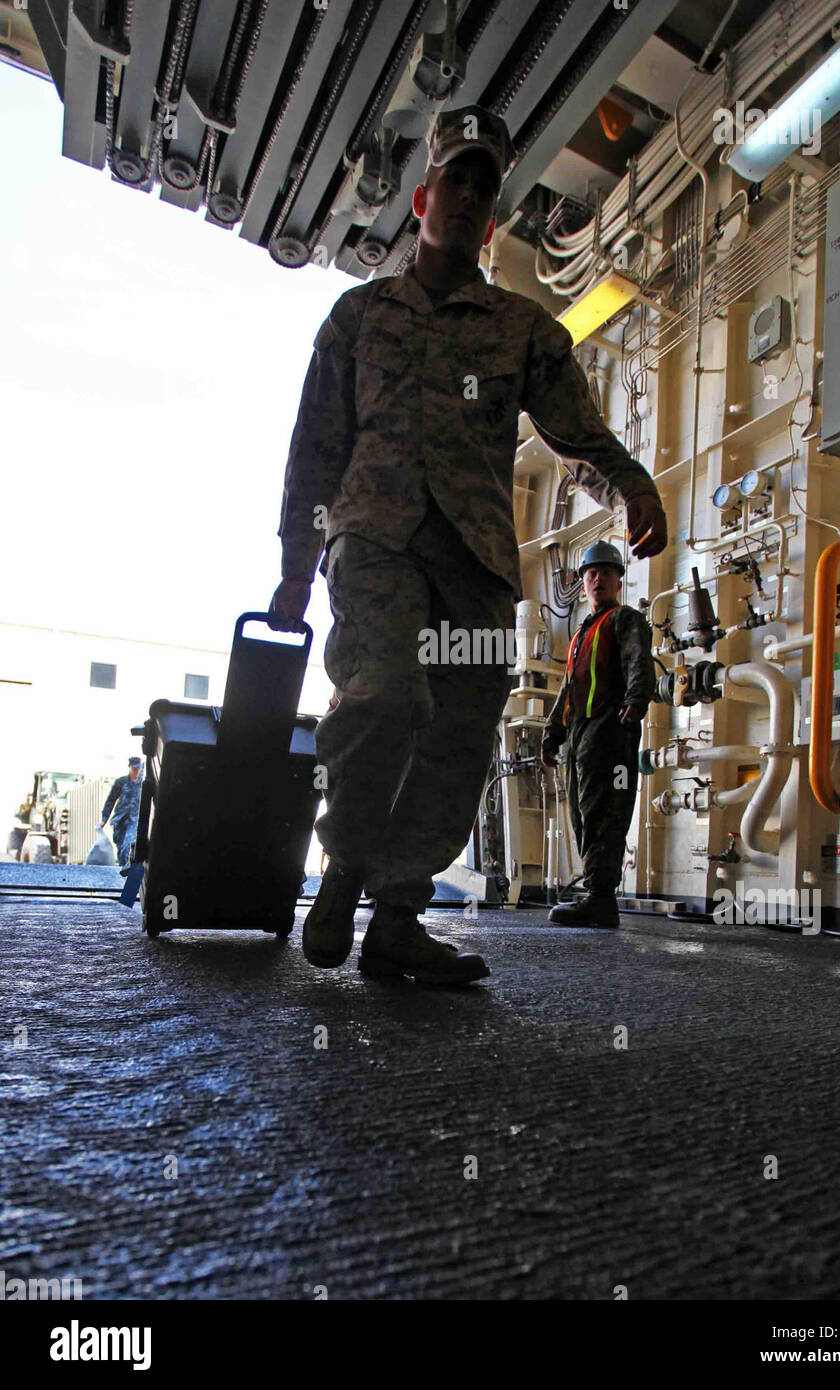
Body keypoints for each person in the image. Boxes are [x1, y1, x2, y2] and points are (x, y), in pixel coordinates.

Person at [270, 105, 667, 985]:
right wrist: (297, 567)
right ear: (422, 196)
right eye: (456, 179)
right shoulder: (357, 316)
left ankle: (398, 917)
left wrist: (632, 486)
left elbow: (578, 433)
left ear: (490, 219)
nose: (467, 198)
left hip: (479, 565)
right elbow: (314, 451)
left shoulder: (519, 327)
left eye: (483, 189)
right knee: (382, 698)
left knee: (459, 734)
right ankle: (343, 871)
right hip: (375, 542)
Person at [540, 541, 655, 928]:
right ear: (583, 582)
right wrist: (553, 731)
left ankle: (602, 896)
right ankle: (595, 891)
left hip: (610, 727)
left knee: (604, 810)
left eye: (606, 572)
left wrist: (637, 699)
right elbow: (569, 687)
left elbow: (638, 659)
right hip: (580, 733)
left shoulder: (625, 619)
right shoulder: (581, 634)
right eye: (592, 573)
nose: (598, 579)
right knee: (581, 810)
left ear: (618, 580)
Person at [101, 756, 144, 874]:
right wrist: (104, 819)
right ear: (129, 768)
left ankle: (129, 868)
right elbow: (111, 800)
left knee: (129, 843)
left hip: (134, 819)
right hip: (120, 820)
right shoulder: (121, 782)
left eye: (138, 769)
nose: (136, 771)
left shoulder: (143, 784)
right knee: (120, 848)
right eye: (134, 769)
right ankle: (123, 870)